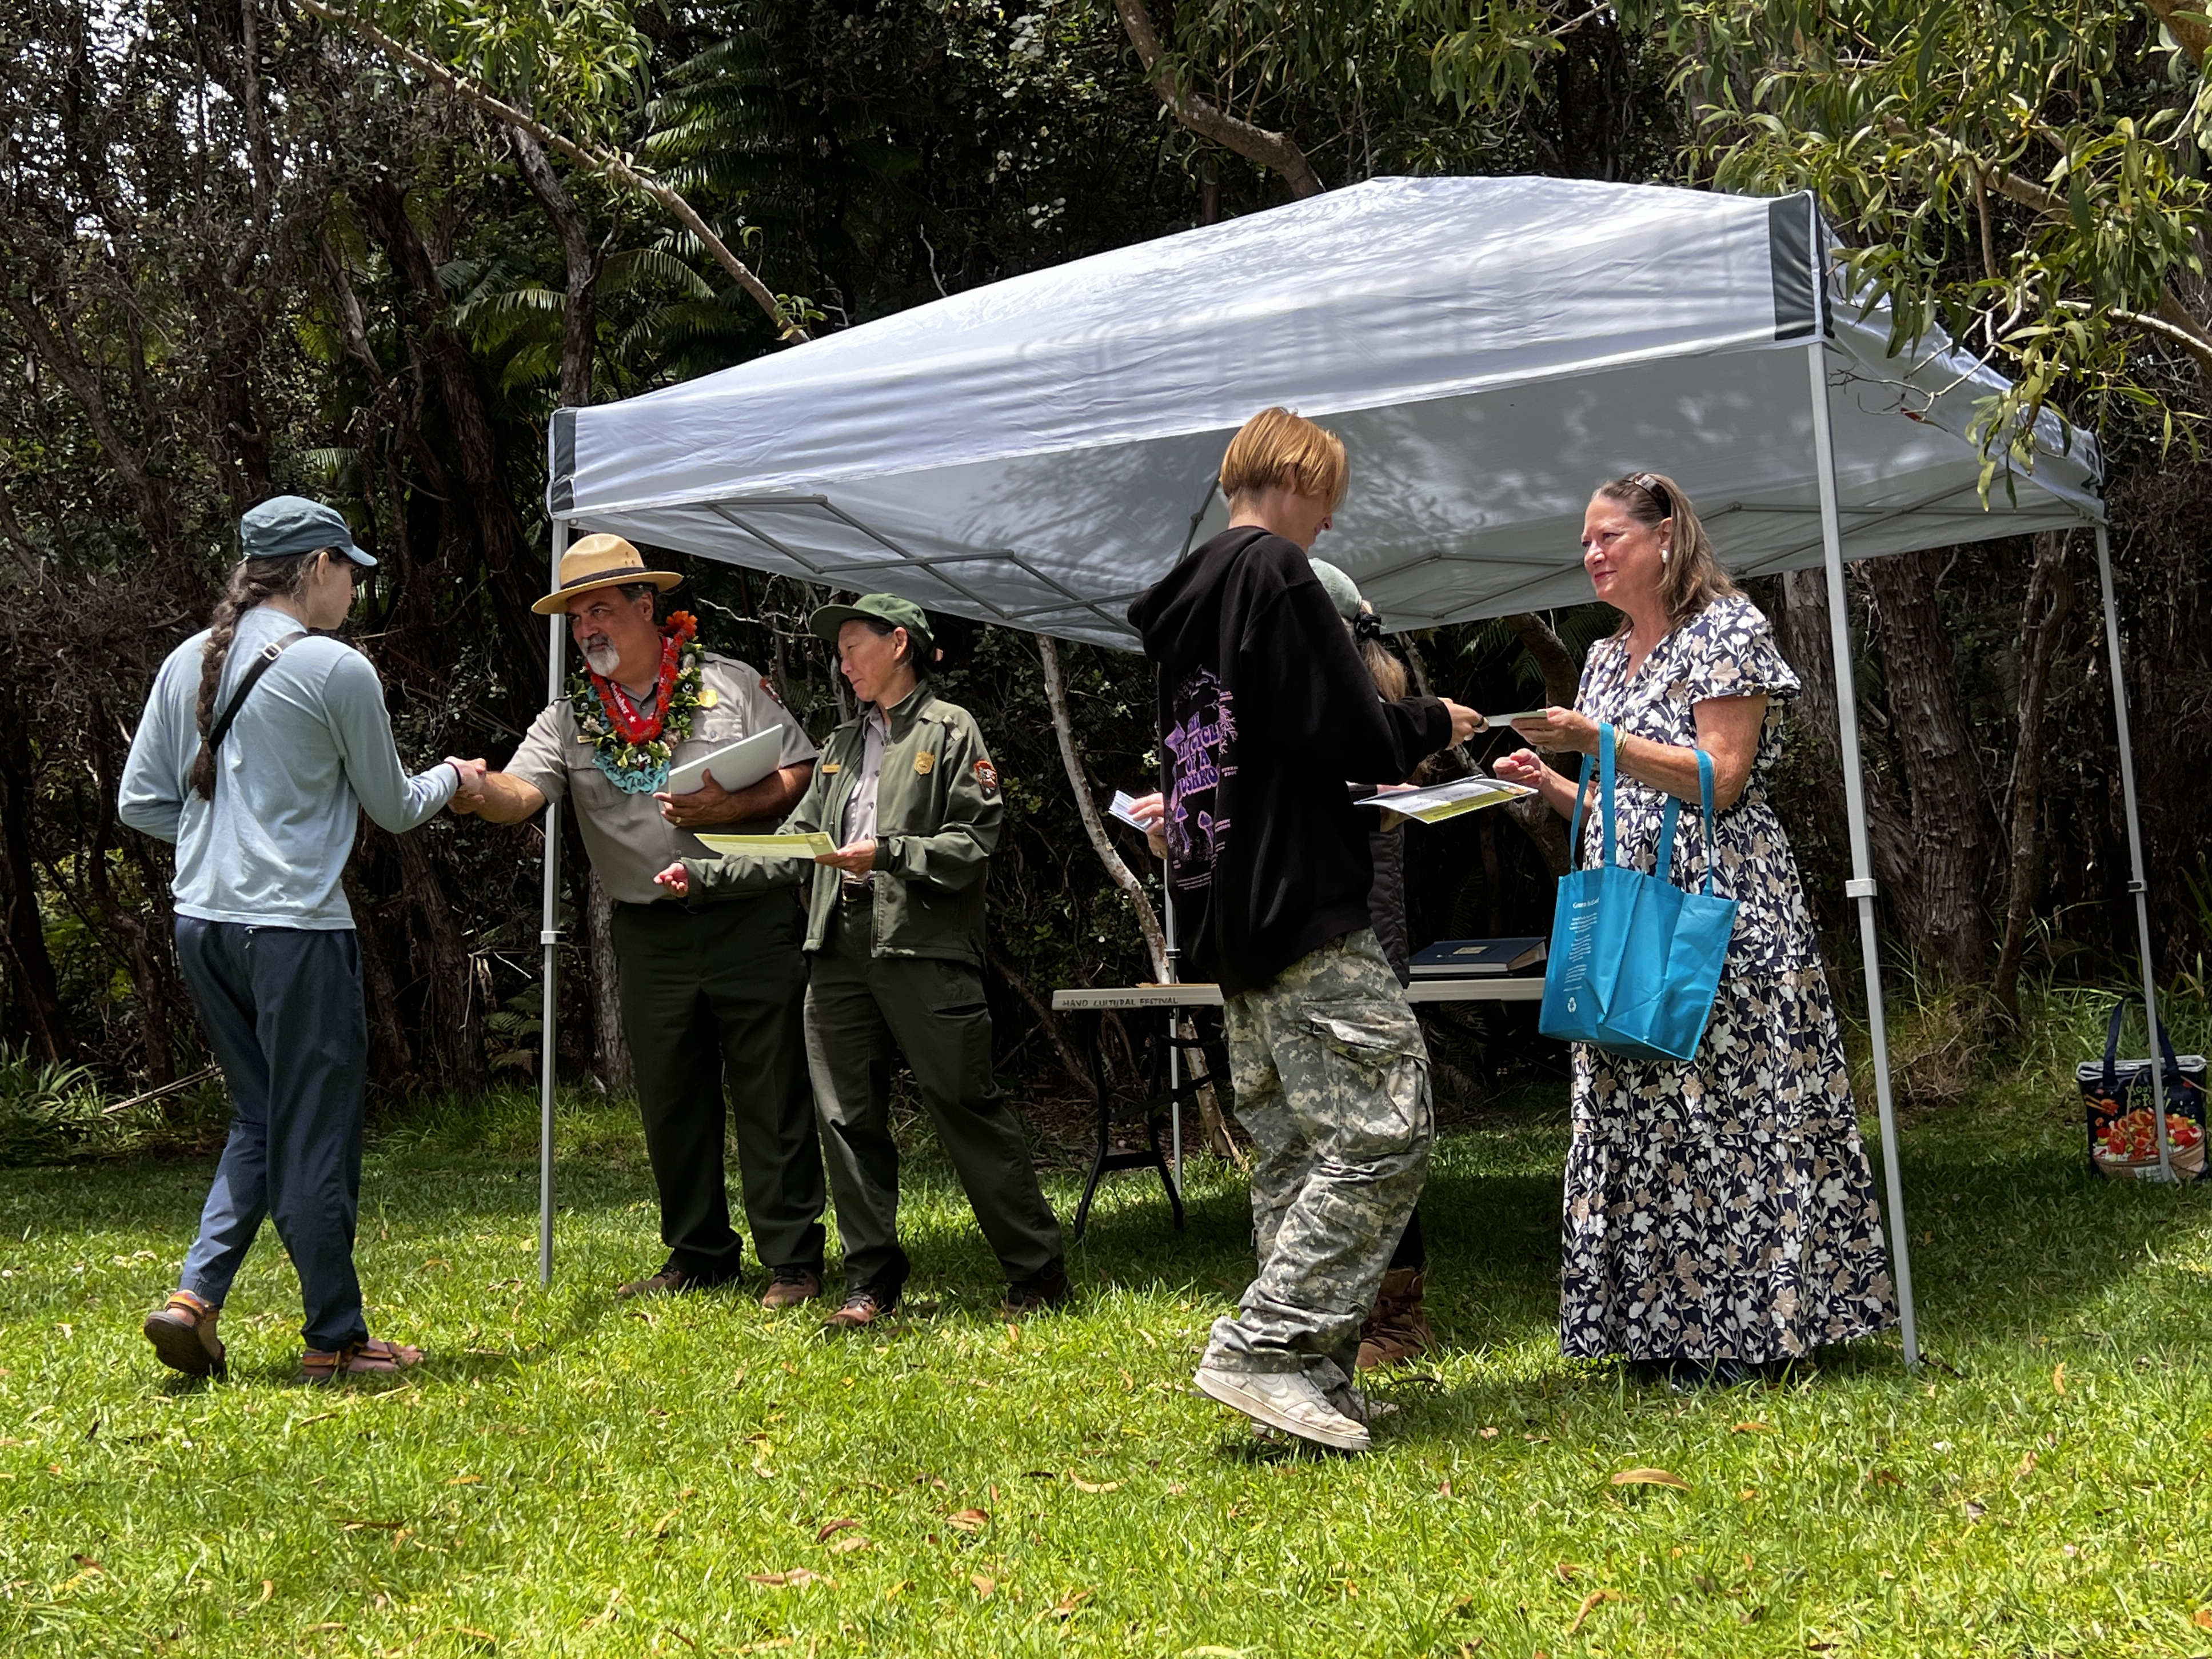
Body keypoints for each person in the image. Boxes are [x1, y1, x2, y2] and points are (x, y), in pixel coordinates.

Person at [1127, 408, 1480, 1454]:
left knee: (1291, 1150)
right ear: (1300, 480)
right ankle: (1264, 1346)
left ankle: (1309, 1380)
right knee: (1386, 1125)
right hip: (1304, 908)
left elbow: (1223, 757)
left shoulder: (1189, 600)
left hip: (1230, 917)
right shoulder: (1273, 572)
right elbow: (1345, 731)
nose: (1329, 526)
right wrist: (1434, 723)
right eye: (1330, 500)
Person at [1494, 472, 1897, 1387]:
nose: (1591, 553)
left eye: (1608, 536)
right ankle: (1655, 1329)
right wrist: (1551, 787)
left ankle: (1744, 1336)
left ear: (1666, 532)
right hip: (1627, 913)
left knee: (1725, 1112)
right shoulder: (1603, 657)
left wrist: (1595, 739)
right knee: (1634, 1116)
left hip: (1719, 914)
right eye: (1584, 542)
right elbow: (1618, 804)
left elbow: (1719, 780)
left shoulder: (1727, 629)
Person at [120, 495, 473, 1382]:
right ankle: (335, 1339)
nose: (354, 586)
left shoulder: (184, 662)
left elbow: (140, 802)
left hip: (201, 923)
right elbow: (394, 806)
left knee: (263, 1115)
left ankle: (193, 1301)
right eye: (349, 568)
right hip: (294, 934)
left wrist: (219, 842)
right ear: (315, 567)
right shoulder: (333, 669)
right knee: (317, 1130)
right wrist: (456, 776)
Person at [655, 595, 1068, 1329]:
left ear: (900, 643)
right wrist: (706, 875)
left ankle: (1036, 1270)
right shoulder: (842, 745)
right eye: (840, 651)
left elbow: (974, 844)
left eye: (852, 647)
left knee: (963, 1106)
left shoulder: (951, 730)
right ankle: (869, 1282)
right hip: (836, 948)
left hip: (922, 949)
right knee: (846, 1119)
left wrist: (889, 855)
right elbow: (798, 845)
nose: (842, 663)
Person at [448, 536, 827, 1306]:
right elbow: (520, 793)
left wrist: (734, 805)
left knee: (771, 1087)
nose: (588, 627)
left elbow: (800, 771)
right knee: (670, 1095)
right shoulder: (569, 718)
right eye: (576, 615)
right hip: (648, 931)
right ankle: (699, 1252)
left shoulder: (729, 684)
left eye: (601, 609)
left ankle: (792, 1258)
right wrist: (475, 792)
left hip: (746, 913)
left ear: (645, 606)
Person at [1306, 559, 1435, 1371]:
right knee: (1334, 1130)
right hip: (1322, 933)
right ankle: (1339, 1307)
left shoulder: (1355, 694)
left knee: (1377, 1126)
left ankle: (1399, 1313)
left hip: (1360, 937)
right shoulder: (1326, 685)